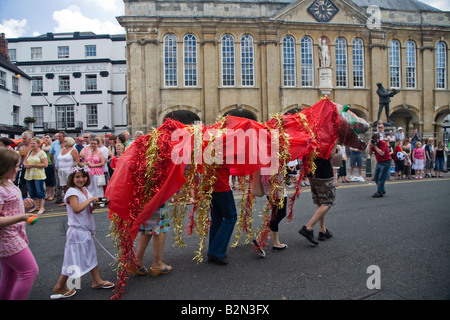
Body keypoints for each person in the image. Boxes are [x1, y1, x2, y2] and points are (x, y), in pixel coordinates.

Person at [51, 163, 113, 299]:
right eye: (78, 177)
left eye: (84, 176)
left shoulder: (84, 190)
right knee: (71, 261)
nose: (81, 179)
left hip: (85, 230)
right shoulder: (72, 192)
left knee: (91, 255)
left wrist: (95, 205)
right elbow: (77, 209)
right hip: (76, 232)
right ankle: (60, 286)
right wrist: (91, 199)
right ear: (72, 177)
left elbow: (87, 209)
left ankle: (97, 280)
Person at [0, 148, 39, 300]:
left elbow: (8, 210)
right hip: (7, 239)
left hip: (13, 235)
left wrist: (24, 205)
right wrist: (22, 216)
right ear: (5, 166)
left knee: (11, 275)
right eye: (15, 166)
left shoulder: (8, 183)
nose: (18, 169)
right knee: (30, 271)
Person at [298, 144, 338, 246]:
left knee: (320, 202)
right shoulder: (329, 135)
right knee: (327, 202)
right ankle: (308, 228)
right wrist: (335, 143)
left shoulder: (312, 131)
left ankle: (323, 230)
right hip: (324, 173)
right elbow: (331, 155)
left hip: (312, 171)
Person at [130, 204, 172, 276]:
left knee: (149, 225)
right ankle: (157, 263)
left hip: (146, 196)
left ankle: (138, 261)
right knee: (160, 226)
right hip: (156, 195)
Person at [207, 166, 237, 265]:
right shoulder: (225, 150)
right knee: (231, 217)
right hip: (222, 187)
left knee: (217, 219)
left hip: (211, 187)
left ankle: (213, 251)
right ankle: (216, 251)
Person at [261, 172, 288, 250]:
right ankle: (260, 239)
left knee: (275, 214)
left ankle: (276, 242)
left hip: (270, 184)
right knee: (281, 213)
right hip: (275, 186)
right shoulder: (273, 159)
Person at [23, 137, 48, 215]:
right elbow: (24, 161)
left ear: (38, 144)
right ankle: (36, 206)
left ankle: (42, 207)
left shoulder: (42, 153)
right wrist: (25, 164)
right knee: (32, 191)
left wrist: (33, 165)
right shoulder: (30, 152)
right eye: (31, 143)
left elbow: (45, 164)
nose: (32, 145)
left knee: (39, 191)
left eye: (34, 143)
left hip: (38, 175)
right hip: (29, 175)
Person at [369, 133, 391, 198]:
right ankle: (382, 190)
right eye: (374, 140)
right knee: (376, 177)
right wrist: (370, 146)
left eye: (376, 140)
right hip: (379, 162)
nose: (375, 141)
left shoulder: (383, 143)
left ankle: (379, 192)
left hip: (386, 161)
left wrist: (375, 146)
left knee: (381, 178)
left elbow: (382, 153)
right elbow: (370, 153)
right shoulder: (373, 145)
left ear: (378, 139)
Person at [50, 131, 67, 204]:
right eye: (57, 136)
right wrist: (53, 162)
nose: (58, 138)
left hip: (66, 166)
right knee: (58, 182)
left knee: (66, 183)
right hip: (57, 166)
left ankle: (66, 197)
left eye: (60, 136)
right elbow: (51, 153)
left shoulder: (67, 143)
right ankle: (58, 197)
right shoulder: (54, 143)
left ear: (64, 137)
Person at [41, 134, 56, 201]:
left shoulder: (51, 145)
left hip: (50, 163)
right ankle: (48, 194)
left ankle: (52, 194)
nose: (46, 139)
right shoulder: (45, 145)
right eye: (45, 137)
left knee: (51, 180)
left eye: (47, 137)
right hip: (45, 164)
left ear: (50, 138)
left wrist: (43, 142)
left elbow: (44, 149)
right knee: (46, 180)